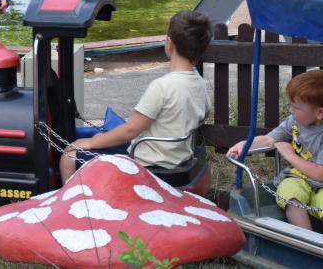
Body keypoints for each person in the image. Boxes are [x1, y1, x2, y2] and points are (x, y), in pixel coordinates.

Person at [60, 10, 213, 183]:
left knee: (69, 156)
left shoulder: (162, 86)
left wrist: (90, 143)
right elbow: (204, 113)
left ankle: (74, 207)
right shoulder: (200, 83)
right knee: (103, 140)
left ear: (169, 43)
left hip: (148, 162)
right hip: (179, 157)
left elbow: (130, 130)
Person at [227, 69, 323, 236]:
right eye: (291, 104)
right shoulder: (296, 121)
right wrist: (244, 146)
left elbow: (321, 174)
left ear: (320, 112)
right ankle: (308, 242)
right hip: (297, 177)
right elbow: (269, 140)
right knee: (291, 197)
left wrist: (290, 155)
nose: (291, 110)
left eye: (296, 107)